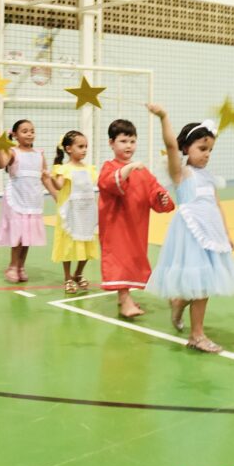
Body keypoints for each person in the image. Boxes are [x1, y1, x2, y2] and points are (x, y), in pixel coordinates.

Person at [146, 106, 234, 353]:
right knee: (201, 286)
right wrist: (164, 117)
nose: (207, 154)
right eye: (202, 148)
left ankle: (179, 303)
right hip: (190, 236)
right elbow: (169, 145)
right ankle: (197, 335)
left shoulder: (208, 177)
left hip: (211, 235)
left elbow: (217, 206)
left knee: (204, 284)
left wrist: (226, 234)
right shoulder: (182, 173)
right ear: (186, 148)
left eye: (210, 149)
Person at [98, 118, 175, 317]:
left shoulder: (143, 171)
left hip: (136, 226)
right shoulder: (109, 167)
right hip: (116, 227)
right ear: (111, 143)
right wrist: (129, 168)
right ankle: (125, 301)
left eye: (132, 141)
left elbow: (155, 192)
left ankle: (125, 298)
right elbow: (108, 183)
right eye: (123, 141)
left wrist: (161, 197)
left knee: (133, 260)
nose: (128, 146)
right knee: (119, 260)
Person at [0, 119, 47, 283]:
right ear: (15, 135)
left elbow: (45, 176)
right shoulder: (13, 152)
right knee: (18, 236)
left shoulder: (39, 154)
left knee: (27, 236)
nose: (29, 133)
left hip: (33, 199)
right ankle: (12, 265)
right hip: (17, 199)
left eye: (32, 130)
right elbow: (0, 163)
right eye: (25, 131)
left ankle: (21, 266)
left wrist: (56, 194)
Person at [48, 129, 99, 294]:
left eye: (86, 146)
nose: (84, 150)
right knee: (69, 246)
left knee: (86, 243)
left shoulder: (90, 168)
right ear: (69, 149)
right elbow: (59, 186)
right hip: (70, 213)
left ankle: (78, 273)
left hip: (86, 212)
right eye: (80, 146)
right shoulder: (64, 169)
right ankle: (68, 277)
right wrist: (50, 178)